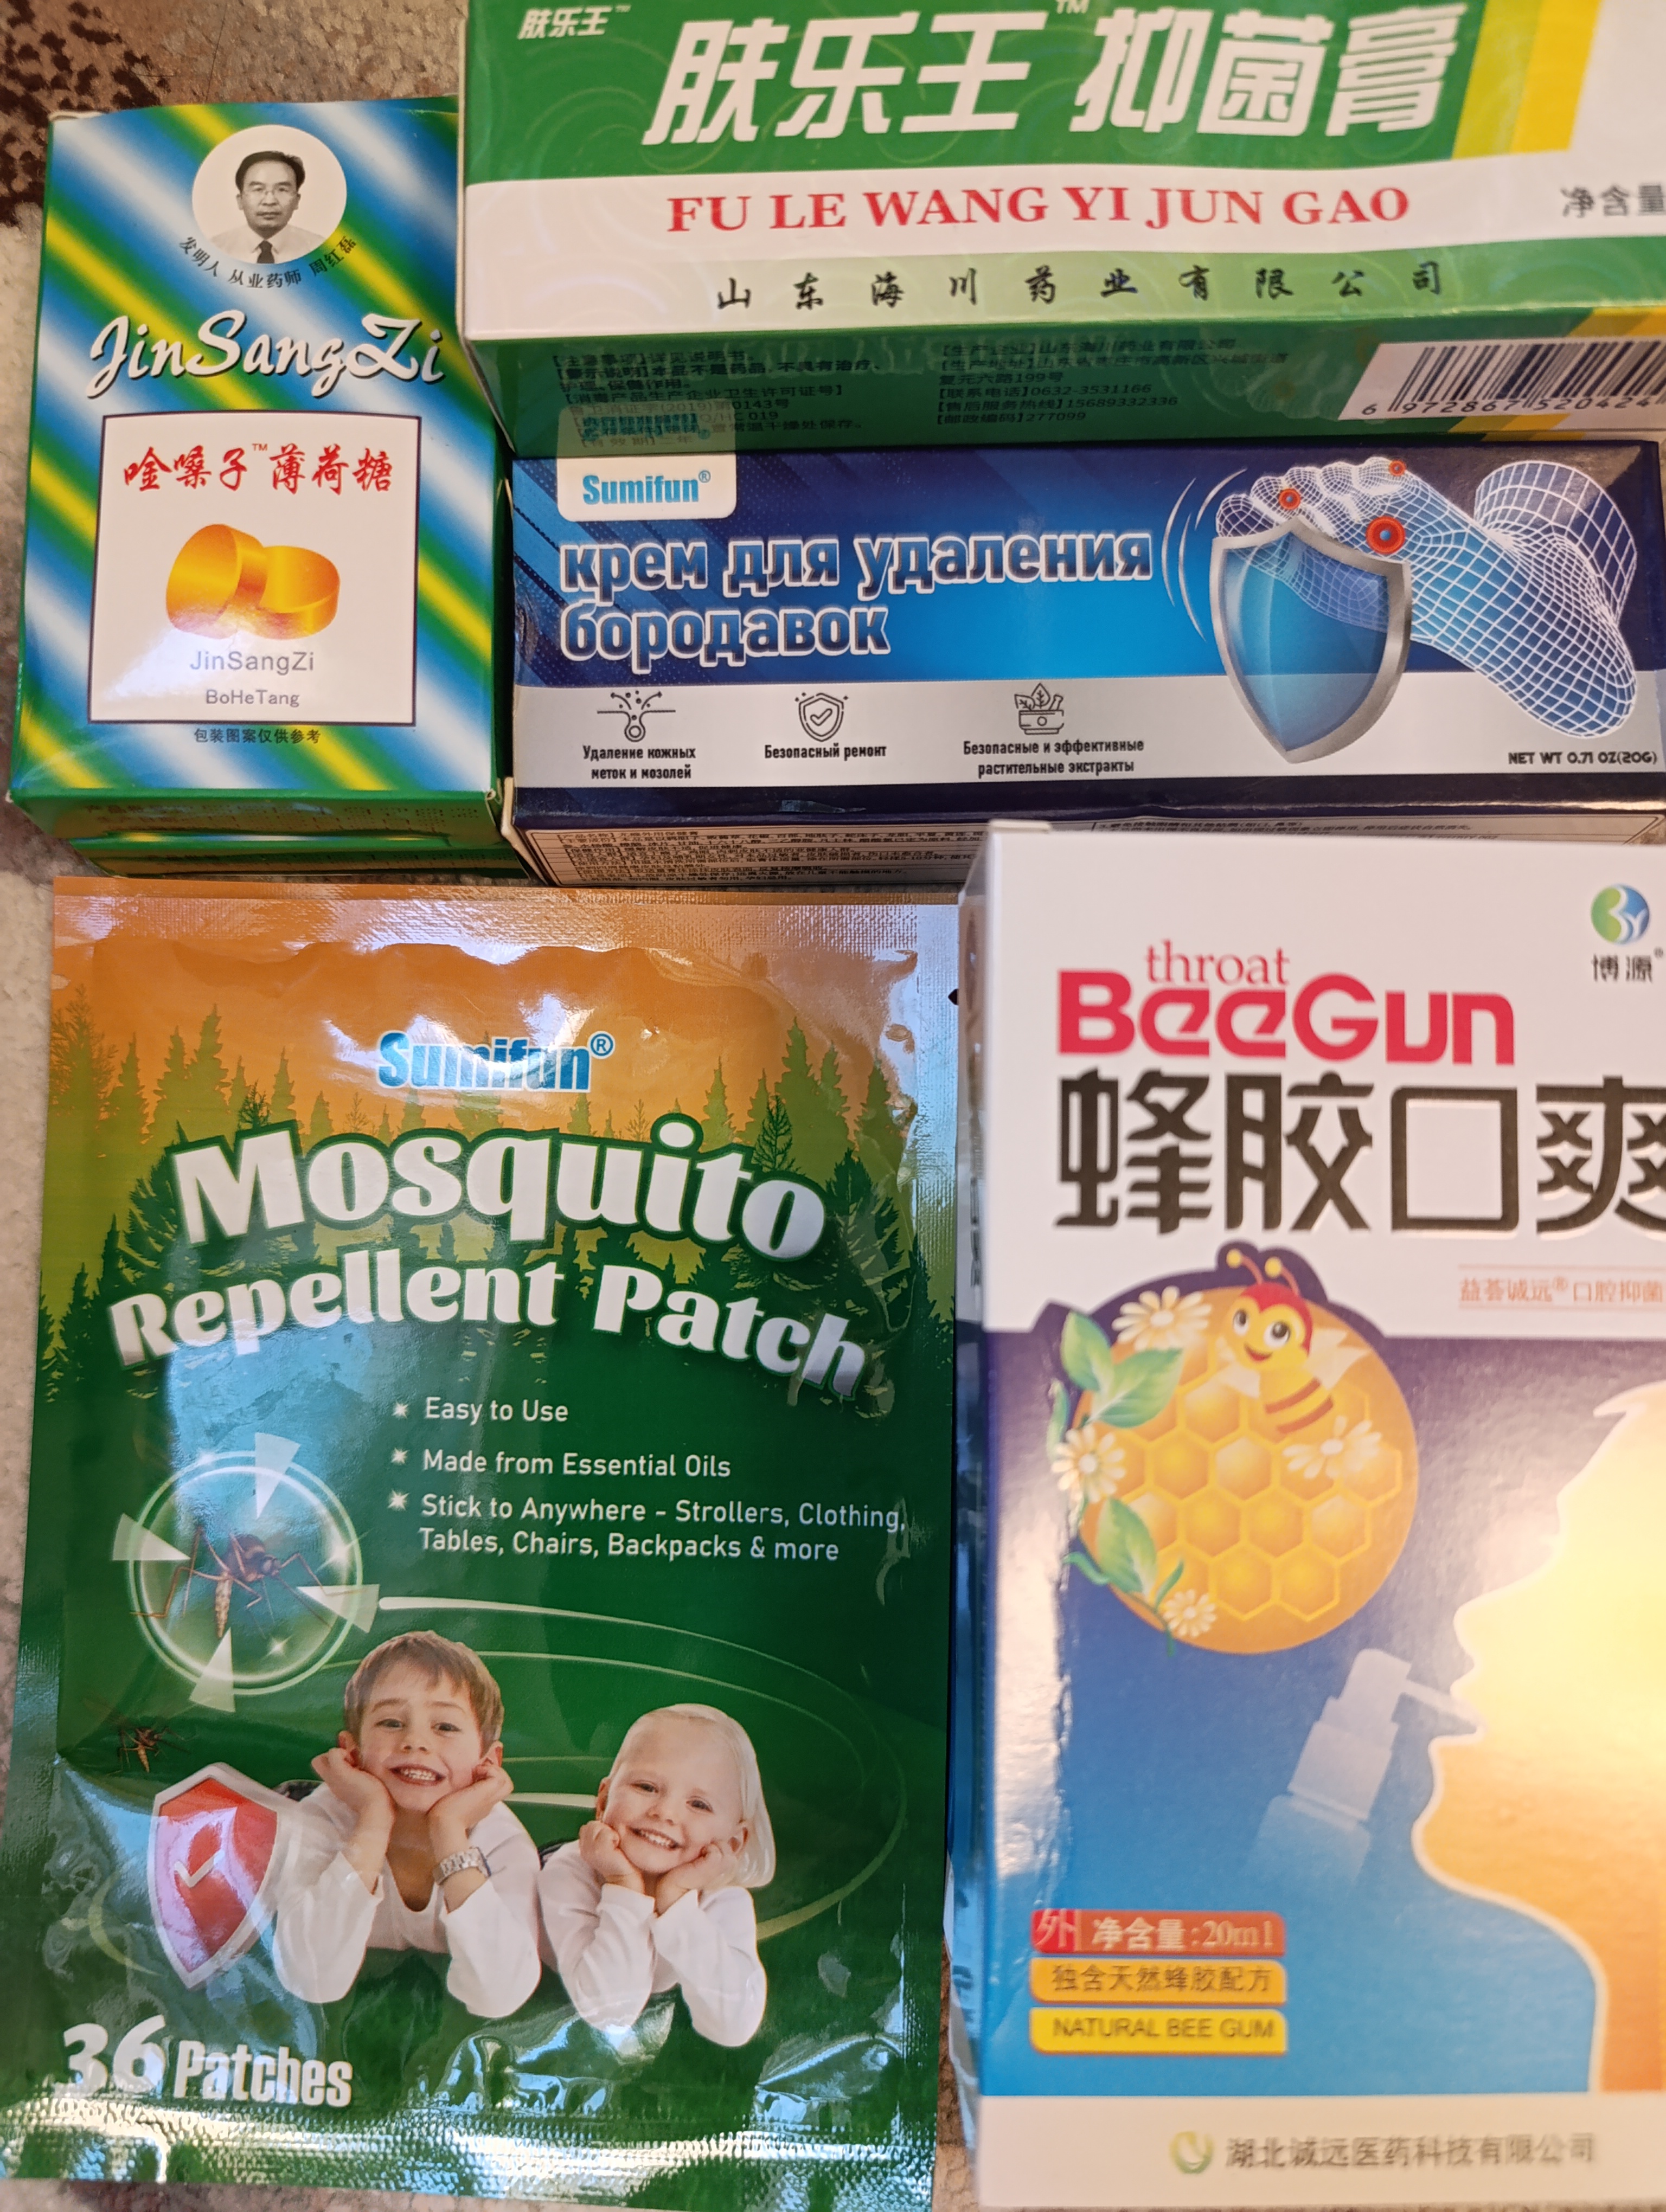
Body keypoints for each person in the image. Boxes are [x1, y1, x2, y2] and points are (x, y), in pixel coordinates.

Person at [272, 1631, 541, 2018]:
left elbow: (500, 1996)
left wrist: (449, 1830)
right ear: (352, 1752)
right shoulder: (322, 1818)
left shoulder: (503, 1842)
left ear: (488, 1761)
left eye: (445, 1727)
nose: (415, 1742)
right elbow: (310, 1979)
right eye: (391, 1722)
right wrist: (373, 1821)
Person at [539, 1702, 772, 2046]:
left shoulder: (725, 1901)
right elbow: (611, 2013)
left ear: (734, 1843)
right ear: (603, 1802)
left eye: (699, 1805)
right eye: (646, 1787)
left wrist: (677, 1901)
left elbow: (734, 2027)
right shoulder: (570, 1873)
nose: (664, 1813)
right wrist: (623, 1886)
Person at [212, 149, 324, 265]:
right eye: (258, 189)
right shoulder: (214, 250)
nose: (270, 202)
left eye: (282, 190)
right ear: (240, 200)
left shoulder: (320, 250)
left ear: (297, 200)